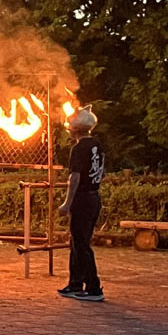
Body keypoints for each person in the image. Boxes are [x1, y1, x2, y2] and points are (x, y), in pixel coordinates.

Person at [57, 105, 105, 302]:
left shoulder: (78, 148)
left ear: (75, 129)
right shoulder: (97, 145)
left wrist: (67, 203)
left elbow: (74, 177)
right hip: (94, 197)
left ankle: (94, 287)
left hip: (83, 199)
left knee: (81, 244)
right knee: (76, 241)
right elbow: (103, 172)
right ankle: (75, 283)